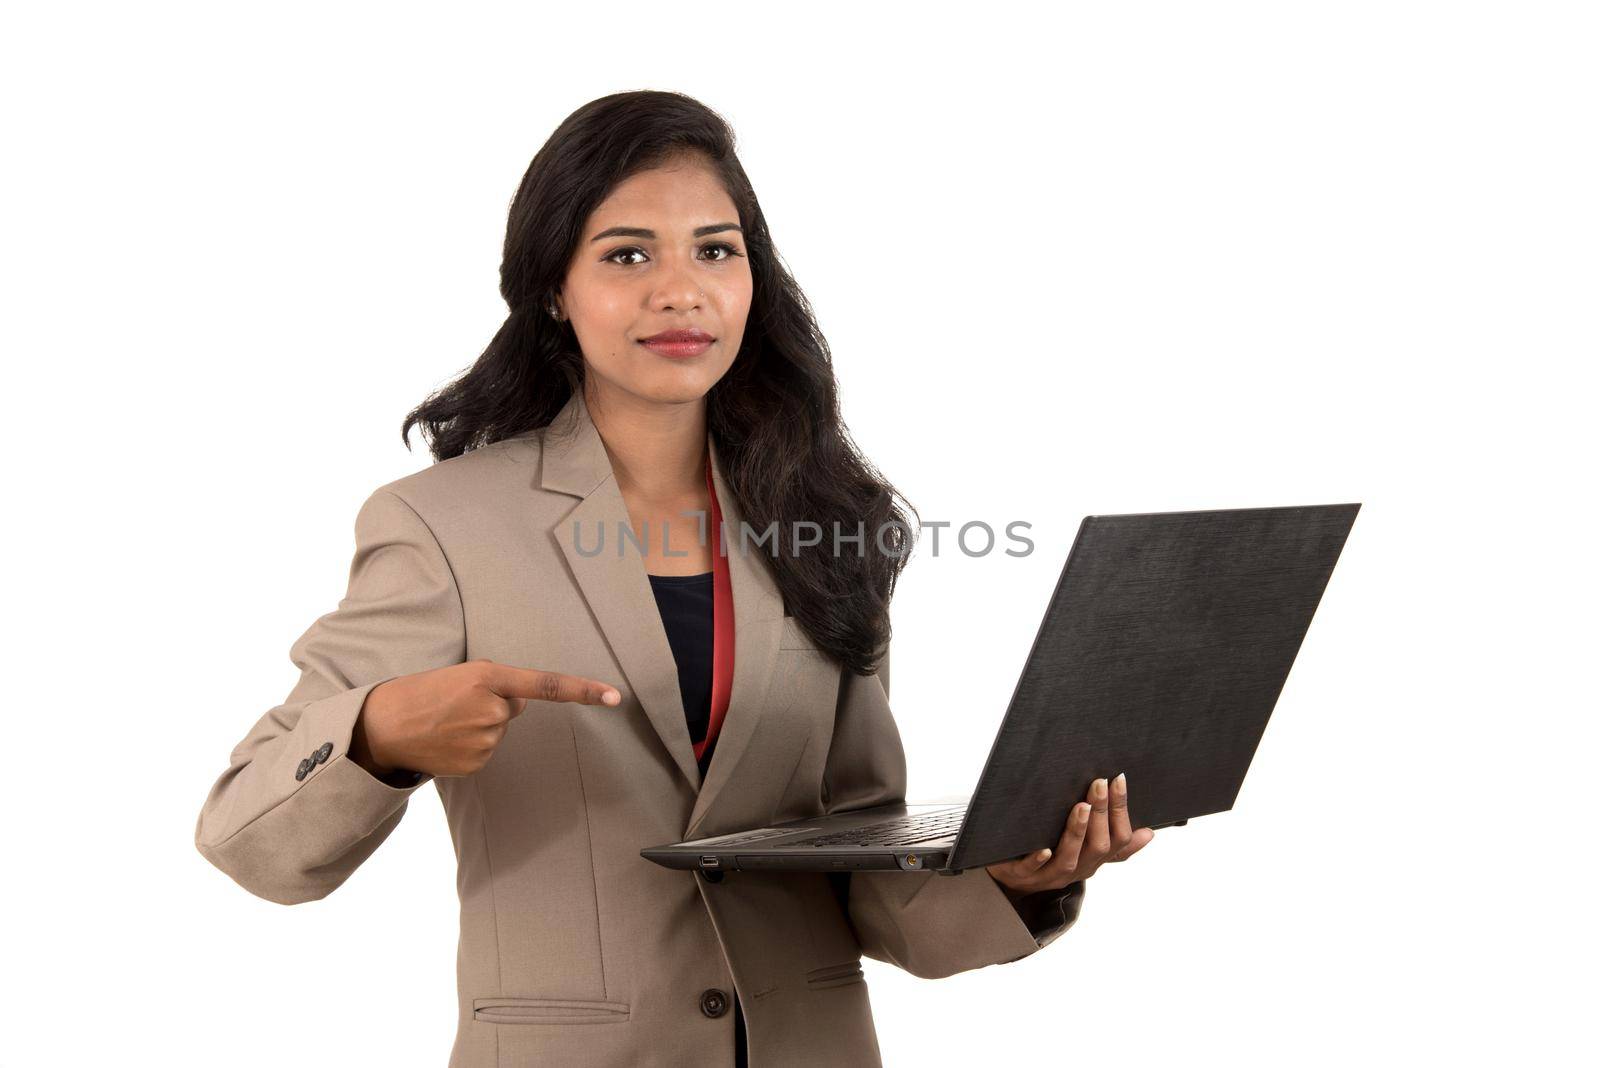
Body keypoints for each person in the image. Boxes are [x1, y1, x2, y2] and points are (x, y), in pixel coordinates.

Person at [194, 89, 1154, 1068]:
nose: (681, 290)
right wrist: (380, 735)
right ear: (553, 289)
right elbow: (246, 838)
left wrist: (1026, 878)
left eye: (715, 249)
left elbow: (863, 873)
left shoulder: (829, 522)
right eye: (626, 254)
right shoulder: (440, 527)